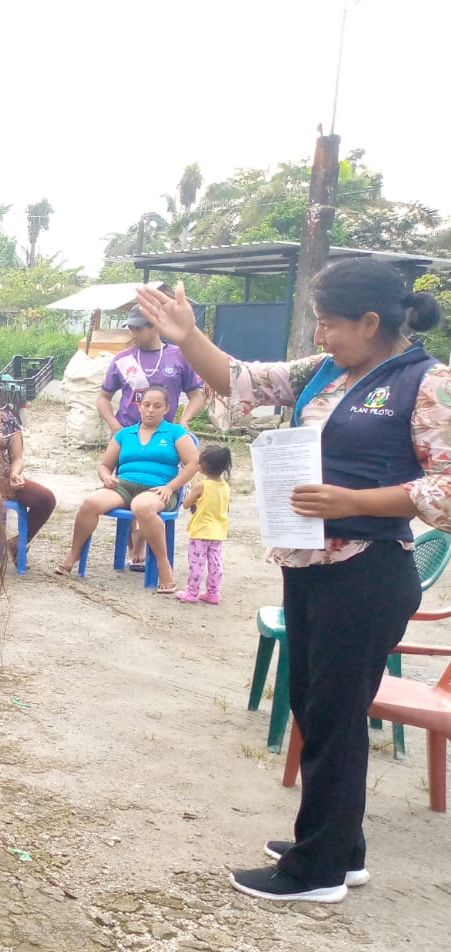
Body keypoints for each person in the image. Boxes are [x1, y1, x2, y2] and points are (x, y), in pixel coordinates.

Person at [137, 259, 451, 902]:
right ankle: (340, 848)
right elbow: (243, 381)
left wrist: (355, 501)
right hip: (311, 565)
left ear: (371, 322)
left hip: (366, 569)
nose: (320, 335)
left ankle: (317, 872)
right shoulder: (328, 371)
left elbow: (445, 485)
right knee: (316, 705)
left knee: (334, 714)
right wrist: (187, 335)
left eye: (329, 323)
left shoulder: (427, 384)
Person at [55, 385, 200, 593]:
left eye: (157, 406)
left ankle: (163, 565)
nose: (150, 410)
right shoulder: (125, 434)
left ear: (167, 409)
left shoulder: (175, 432)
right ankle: (74, 554)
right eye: (146, 405)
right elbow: (105, 465)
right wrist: (106, 477)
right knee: (90, 503)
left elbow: (193, 463)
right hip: (123, 486)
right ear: (139, 407)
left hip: (159, 489)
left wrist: (171, 487)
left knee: (142, 506)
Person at [0, 365, 57, 551]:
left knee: (46, 499)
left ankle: (16, 543)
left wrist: (15, 473)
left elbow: (17, 457)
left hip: (4, 478)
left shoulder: (8, 418)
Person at [97, 305, 207, 432]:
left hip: (163, 434)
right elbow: (103, 398)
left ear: (156, 326)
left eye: (138, 329)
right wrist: (115, 426)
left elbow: (196, 396)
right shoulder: (122, 359)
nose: (133, 334)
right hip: (128, 433)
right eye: (131, 329)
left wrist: (184, 419)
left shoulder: (179, 356)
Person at [176, 444, 233, 604]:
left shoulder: (201, 486)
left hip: (201, 530)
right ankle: (213, 593)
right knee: (215, 562)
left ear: (202, 467)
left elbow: (186, 504)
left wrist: (190, 498)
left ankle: (192, 592)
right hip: (218, 531)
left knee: (196, 563)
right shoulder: (225, 487)